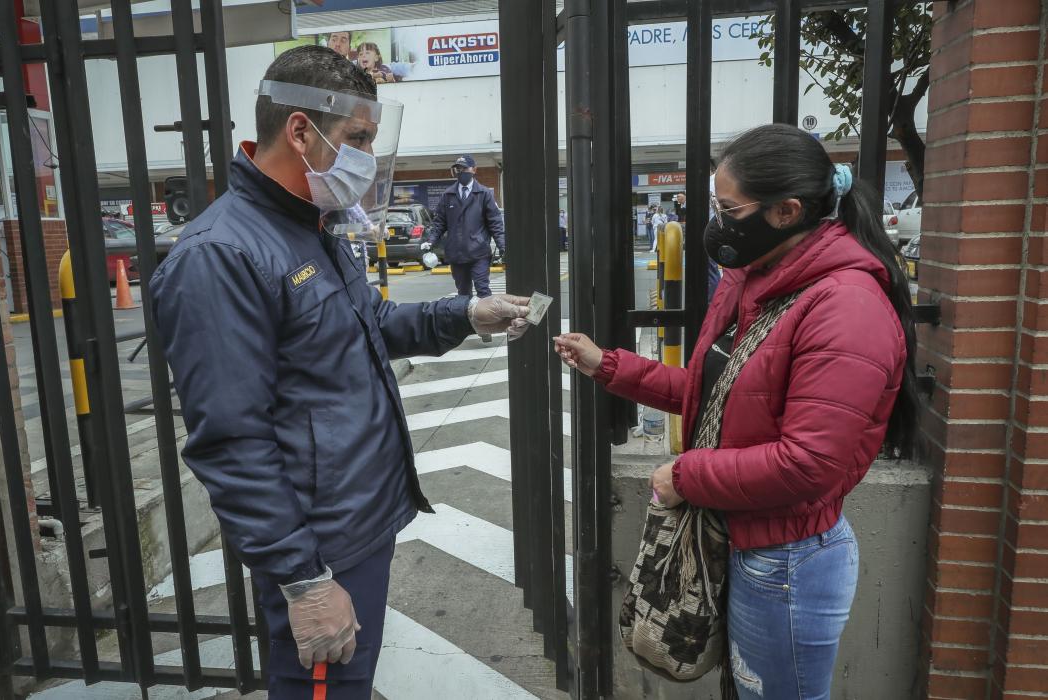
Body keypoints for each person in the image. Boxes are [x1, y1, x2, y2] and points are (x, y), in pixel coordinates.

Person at [150, 46, 531, 699]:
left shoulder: (308, 228)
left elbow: (373, 325)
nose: (367, 158)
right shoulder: (220, 257)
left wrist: (468, 312)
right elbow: (232, 443)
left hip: (359, 522)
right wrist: (303, 581)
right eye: (357, 139)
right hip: (318, 545)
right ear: (301, 131)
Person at [554, 123, 918, 699]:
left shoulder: (845, 307)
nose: (717, 223)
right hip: (740, 542)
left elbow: (809, 463)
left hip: (787, 564)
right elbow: (716, 398)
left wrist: (685, 476)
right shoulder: (756, 281)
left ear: (787, 211)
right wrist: (608, 365)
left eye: (728, 208)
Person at [421, 155, 506, 303]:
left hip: (478, 252)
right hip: (457, 253)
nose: (461, 172)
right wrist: (431, 240)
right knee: (463, 293)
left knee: (483, 290)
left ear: (474, 170)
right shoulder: (448, 195)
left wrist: (503, 246)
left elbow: (495, 223)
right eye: (458, 169)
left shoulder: (484, 194)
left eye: (464, 168)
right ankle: (466, 325)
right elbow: (439, 222)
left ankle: (486, 324)